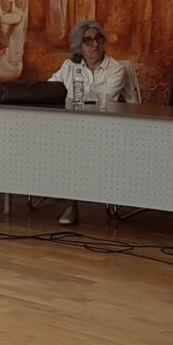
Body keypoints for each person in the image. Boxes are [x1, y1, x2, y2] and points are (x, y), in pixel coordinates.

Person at [48, 20, 126, 226]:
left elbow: (106, 100)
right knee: (65, 144)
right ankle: (71, 204)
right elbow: (49, 90)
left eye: (98, 39)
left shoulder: (116, 69)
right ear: (79, 46)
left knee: (73, 147)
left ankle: (73, 204)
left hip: (104, 130)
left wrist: (73, 95)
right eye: (88, 40)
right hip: (71, 129)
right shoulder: (69, 67)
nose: (95, 44)